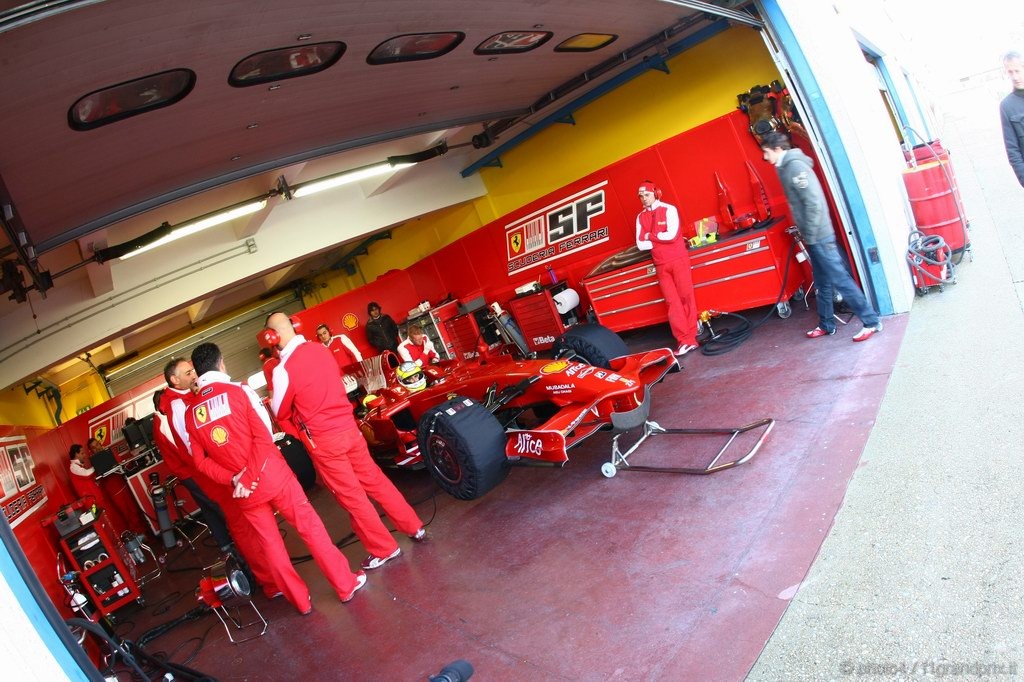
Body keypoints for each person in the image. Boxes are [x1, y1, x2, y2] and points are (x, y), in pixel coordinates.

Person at [186, 342, 365, 614]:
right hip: (272, 476)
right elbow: (265, 437)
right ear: (221, 363)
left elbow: (200, 463)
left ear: (197, 372)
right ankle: (344, 584)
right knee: (310, 529)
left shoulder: (191, 413)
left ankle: (300, 602)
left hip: (242, 492)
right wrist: (248, 477)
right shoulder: (240, 391)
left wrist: (235, 479)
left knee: (271, 547)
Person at [265, 312, 426, 571]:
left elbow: (279, 410)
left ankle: (384, 548)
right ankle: (414, 527)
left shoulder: (284, 370)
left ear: (271, 337)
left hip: (325, 442)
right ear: (295, 325)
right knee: (376, 481)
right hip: (349, 429)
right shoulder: (321, 350)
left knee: (352, 497)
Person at [161, 358, 282, 600]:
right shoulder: (176, 407)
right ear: (175, 380)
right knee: (242, 526)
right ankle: (270, 581)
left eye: (194, 370)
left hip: (225, 473)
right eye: (188, 373)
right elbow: (196, 447)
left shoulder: (190, 399)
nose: (194, 375)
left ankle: (275, 572)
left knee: (251, 524)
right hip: (217, 477)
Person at [760, 131, 882, 341]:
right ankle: (826, 324)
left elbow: (814, 203)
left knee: (840, 279)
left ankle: (871, 321)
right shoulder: (785, 167)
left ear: (778, 149)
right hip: (813, 236)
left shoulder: (795, 167)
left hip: (819, 236)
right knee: (822, 282)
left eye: (766, 152)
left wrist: (812, 233)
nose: (765, 157)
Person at [635, 180, 700, 356]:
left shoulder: (669, 209)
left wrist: (650, 235)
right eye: (641, 196)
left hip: (678, 259)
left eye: (646, 194)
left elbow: (672, 235)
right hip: (661, 264)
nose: (643, 198)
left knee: (686, 298)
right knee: (672, 304)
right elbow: (641, 245)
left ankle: (691, 339)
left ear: (656, 193)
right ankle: (683, 340)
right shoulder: (640, 217)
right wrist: (658, 237)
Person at [999, 51, 1024, 187]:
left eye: (1017, 71)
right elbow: (1012, 150)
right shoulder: (1007, 106)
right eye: (1010, 72)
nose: (1015, 77)